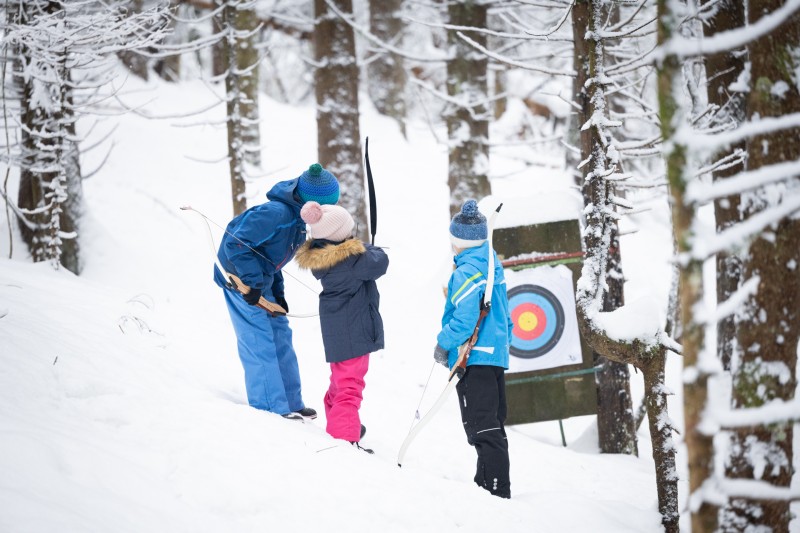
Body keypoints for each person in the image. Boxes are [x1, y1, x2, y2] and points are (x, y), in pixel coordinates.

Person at [214, 163, 340, 420]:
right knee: (259, 339)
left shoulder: (297, 220)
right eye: (325, 209)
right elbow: (235, 244)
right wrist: (252, 283)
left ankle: (291, 402)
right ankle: (269, 407)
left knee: (281, 335)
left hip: (262, 277)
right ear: (312, 205)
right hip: (239, 278)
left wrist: (278, 292)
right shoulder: (276, 213)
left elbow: (272, 258)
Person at [433, 199, 512, 498]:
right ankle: (485, 486)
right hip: (494, 358)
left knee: (483, 428)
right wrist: (501, 347)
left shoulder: (467, 271)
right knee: (491, 425)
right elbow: (506, 317)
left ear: (459, 241)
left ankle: (495, 491)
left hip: (475, 358)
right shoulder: (492, 265)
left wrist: (444, 343)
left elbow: (465, 321)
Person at [294, 201, 388, 450]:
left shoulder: (329, 259)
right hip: (354, 332)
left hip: (339, 332)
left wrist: (361, 248)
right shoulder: (353, 260)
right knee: (350, 387)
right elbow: (380, 262)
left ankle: (343, 423)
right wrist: (366, 247)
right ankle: (344, 440)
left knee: (340, 382)